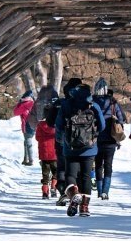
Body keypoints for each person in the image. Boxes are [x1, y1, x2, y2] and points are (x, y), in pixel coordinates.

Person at [55, 83, 105, 217]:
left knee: (70, 175)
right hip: (89, 148)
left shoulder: (66, 105)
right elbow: (102, 126)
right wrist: (93, 135)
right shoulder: (94, 106)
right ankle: (84, 207)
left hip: (70, 147)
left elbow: (58, 126)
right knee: (86, 177)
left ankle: (74, 194)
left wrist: (62, 139)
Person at [48, 78, 82, 206]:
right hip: (81, 142)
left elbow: (49, 122)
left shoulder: (59, 103)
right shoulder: (86, 103)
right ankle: (77, 192)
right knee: (77, 169)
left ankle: (64, 193)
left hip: (61, 140)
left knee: (62, 168)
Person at [93, 79, 126, 200]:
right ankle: (105, 191)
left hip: (96, 139)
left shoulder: (92, 102)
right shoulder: (112, 103)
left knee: (98, 165)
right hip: (111, 139)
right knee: (108, 165)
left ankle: (99, 189)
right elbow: (121, 119)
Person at [35, 110, 58, 199]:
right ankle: (53, 186)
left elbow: (37, 138)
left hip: (44, 153)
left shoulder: (40, 125)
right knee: (56, 172)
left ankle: (45, 192)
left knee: (45, 174)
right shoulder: (56, 125)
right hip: (54, 153)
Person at [13, 90, 36, 165]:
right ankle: (25, 159)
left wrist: (19, 103)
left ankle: (30, 160)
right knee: (26, 142)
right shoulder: (34, 103)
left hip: (27, 125)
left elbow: (15, 112)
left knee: (28, 142)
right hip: (34, 125)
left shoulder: (24, 104)